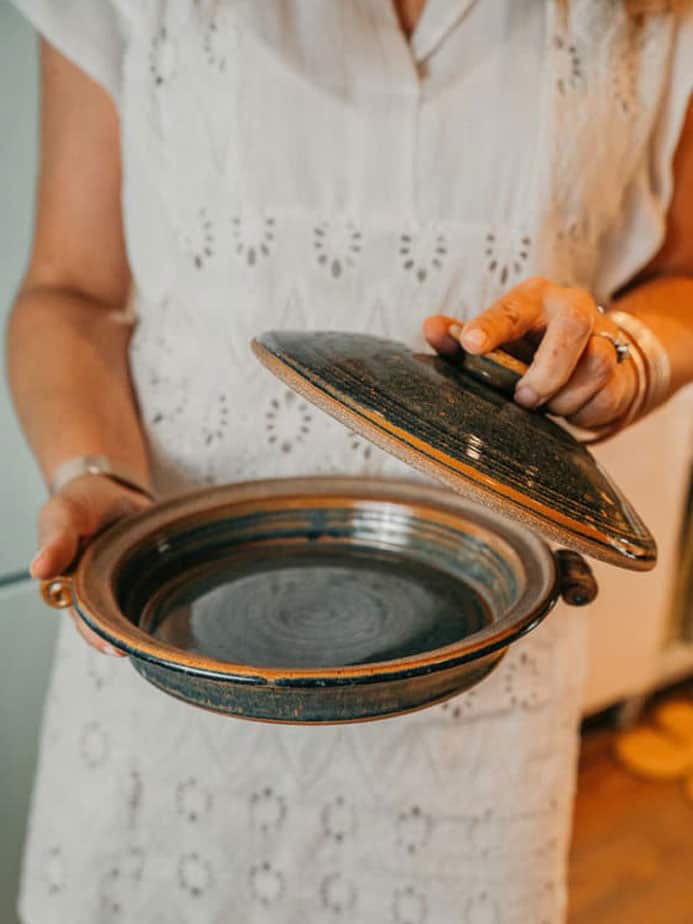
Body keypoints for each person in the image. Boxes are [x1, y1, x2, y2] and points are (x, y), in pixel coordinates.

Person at [6, 1, 693, 921]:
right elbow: (70, 292)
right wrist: (93, 475)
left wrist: (628, 354)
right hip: (167, 619)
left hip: (482, 655)